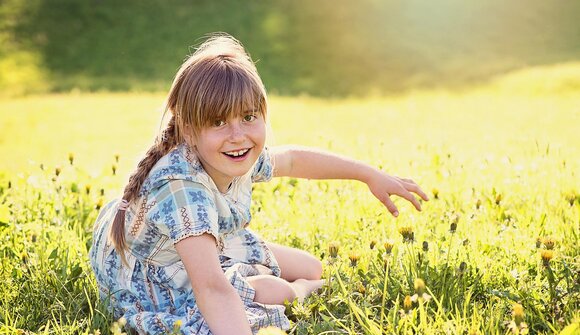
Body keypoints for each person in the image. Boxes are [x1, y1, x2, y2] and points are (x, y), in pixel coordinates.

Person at [89, 34, 428, 335]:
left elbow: (294, 159)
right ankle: (301, 292)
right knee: (274, 291)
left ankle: (297, 283)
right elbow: (211, 288)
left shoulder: (232, 154)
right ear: (189, 130)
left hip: (194, 244)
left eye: (249, 117)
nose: (238, 135)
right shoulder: (183, 191)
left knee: (311, 266)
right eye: (218, 121)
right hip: (152, 276)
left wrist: (369, 175)